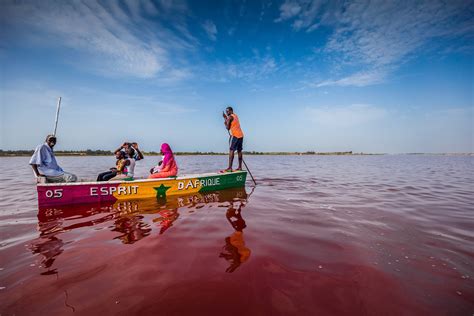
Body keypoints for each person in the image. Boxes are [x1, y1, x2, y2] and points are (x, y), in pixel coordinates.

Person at [222, 106, 244, 172]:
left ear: (231, 111)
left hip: (236, 136)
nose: (227, 112)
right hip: (241, 135)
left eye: (228, 111)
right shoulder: (235, 116)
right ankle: (240, 167)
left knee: (231, 150)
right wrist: (226, 118)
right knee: (239, 151)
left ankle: (229, 168)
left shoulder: (229, 117)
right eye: (226, 111)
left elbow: (228, 127)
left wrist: (225, 122)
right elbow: (231, 121)